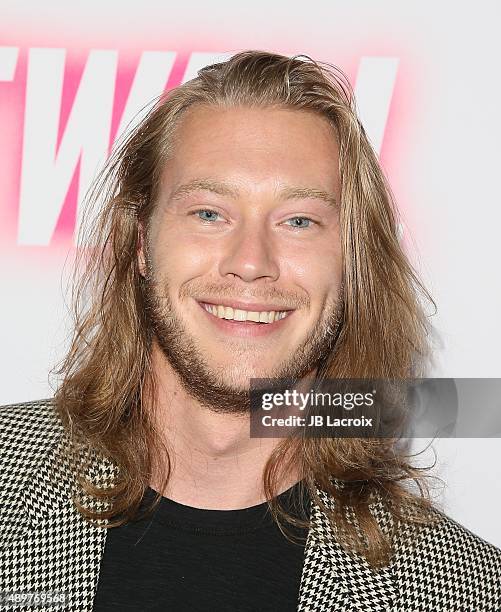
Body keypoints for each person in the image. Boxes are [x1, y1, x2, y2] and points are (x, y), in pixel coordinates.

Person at [1, 50, 499, 612]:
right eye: (209, 213)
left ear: (353, 263)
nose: (251, 261)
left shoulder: (462, 590)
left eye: (299, 221)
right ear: (141, 242)